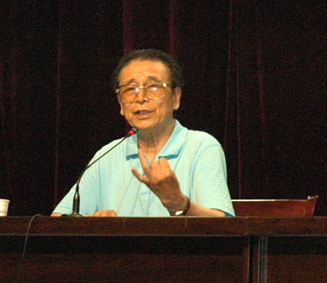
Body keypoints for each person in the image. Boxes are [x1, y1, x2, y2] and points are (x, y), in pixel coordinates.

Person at [52, 49, 234, 217]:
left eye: (153, 87)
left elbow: (221, 225)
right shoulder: (107, 155)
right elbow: (59, 220)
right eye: (130, 89)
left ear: (176, 98)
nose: (140, 98)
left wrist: (179, 204)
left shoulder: (201, 147)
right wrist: (92, 224)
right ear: (121, 104)